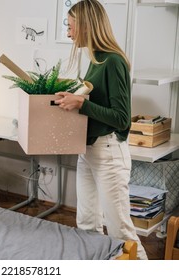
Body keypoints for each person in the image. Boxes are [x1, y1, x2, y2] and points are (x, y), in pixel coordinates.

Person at [54, 0, 148, 260]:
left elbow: (121, 118)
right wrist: (73, 99)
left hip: (108, 152)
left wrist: (82, 104)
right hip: (88, 151)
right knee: (86, 225)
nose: (69, 33)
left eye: (71, 27)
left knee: (121, 232)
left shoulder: (113, 61)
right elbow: (94, 103)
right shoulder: (95, 60)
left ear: (86, 25)